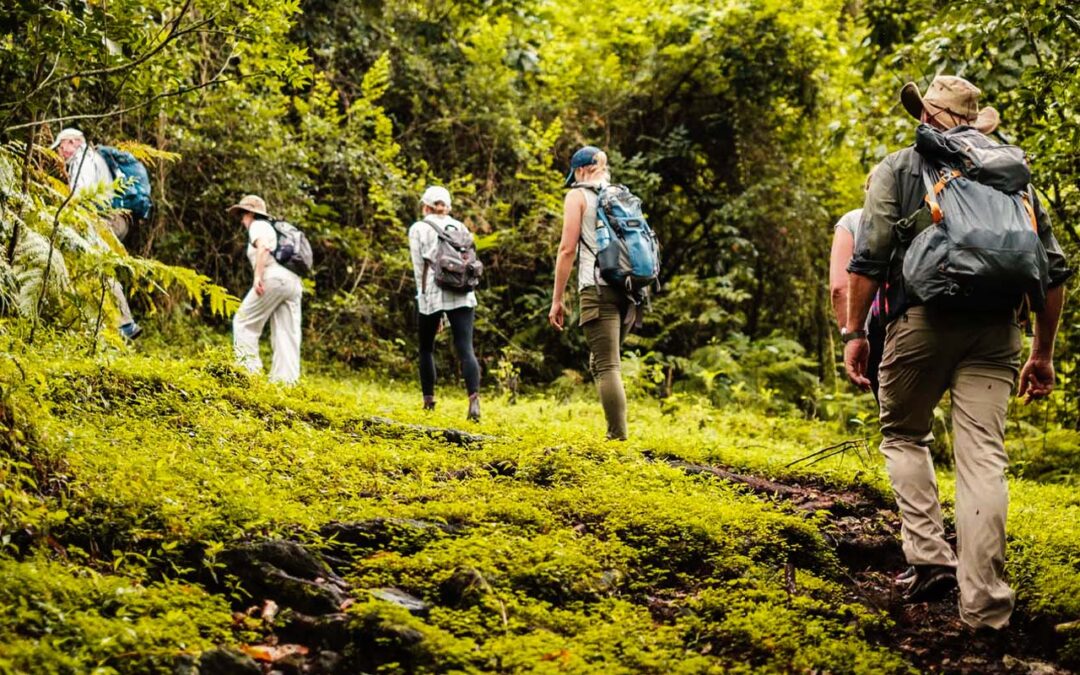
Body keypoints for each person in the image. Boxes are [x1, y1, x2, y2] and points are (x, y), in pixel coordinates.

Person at [844, 75, 1071, 630]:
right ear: (976, 122)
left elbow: (869, 257)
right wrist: (1042, 354)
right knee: (984, 461)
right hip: (998, 331)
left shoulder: (899, 167)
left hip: (920, 321)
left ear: (925, 115)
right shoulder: (1012, 174)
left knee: (903, 435)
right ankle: (986, 607)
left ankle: (928, 560)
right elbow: (1055, 271)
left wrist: (855, 332)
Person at [548, 146, 632, 441]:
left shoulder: (578, 195)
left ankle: (617, 439)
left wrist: (557, 299)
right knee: (603, 362)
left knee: (608, 365)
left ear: (581, 170)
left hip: (597, 287)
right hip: (629, 289)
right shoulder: (620, 194)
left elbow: (567, 249)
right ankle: (617, 431)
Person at [51, 127, 142, 339]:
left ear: (72, 142)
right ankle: (111, 325)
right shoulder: (93, 158)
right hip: (117, 219)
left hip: (107, 219)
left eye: (61, 146)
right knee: (94, 265)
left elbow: (80, 197)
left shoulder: (83, 162)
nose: (59, 152)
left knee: (94, 266)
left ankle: (122, 324)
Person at [408, 186, 482, 421]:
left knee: (426, 347)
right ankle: (474, 401)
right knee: (465, 348)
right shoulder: (460, 226)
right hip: (463, 290)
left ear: (425, 206)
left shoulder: (419, 228)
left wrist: (423, 299)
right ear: (447, 207)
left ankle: (428, 402)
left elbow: (419, 266)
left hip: (433, 290)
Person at [228, 195, 303, 385]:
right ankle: (286, 383)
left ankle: (248, 375)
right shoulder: (274, 229)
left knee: (244, 322)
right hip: (292, 281)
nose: (242, 219)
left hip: (274, 277)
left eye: (243, 214)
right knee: (287, 332)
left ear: (251, 213)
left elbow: (263, 248)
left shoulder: (258, 225)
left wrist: (257, 277)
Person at [828, 167, 885, 397]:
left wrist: (852, 335)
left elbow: (840, 289)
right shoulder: (920, 218)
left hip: (873, 329)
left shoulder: (853, 220)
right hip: (920, 325)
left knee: (897, 419)